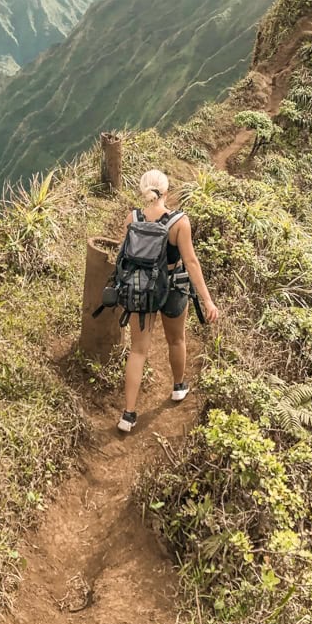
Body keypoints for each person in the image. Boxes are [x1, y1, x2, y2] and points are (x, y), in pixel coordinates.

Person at [117, 169, 219, 433]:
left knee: (138, 350)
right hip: (173, 287)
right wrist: (207, 301)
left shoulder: (132, 218)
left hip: (142, 290)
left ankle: (127, 415)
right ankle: (178, 387)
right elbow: (192, 262)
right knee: (177, 339)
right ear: (166, 190)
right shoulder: (179, 222)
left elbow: (123, 258)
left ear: (143, 189)